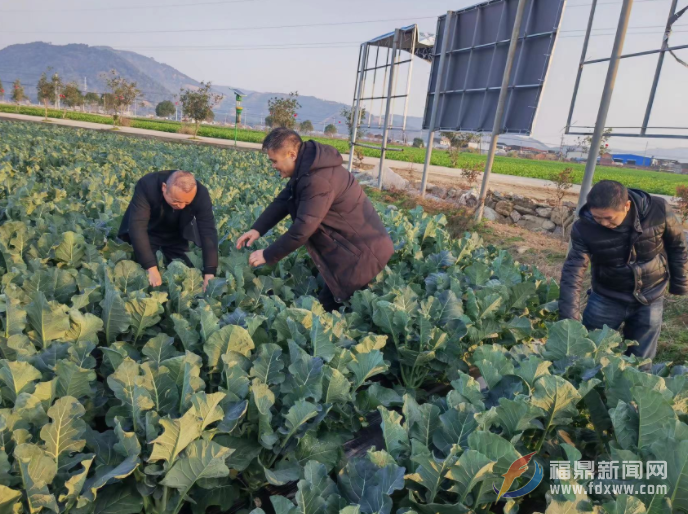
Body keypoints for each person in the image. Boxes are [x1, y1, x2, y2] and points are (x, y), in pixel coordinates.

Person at [236, 128, 394, 312]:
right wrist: (258, 229)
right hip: (350, 250)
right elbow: (284, 199)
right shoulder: (307, 169)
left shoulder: (318, 180)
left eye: (274, 161)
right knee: (331, 308)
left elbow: (302, 229)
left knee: (339, 312)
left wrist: (267, 254)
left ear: (292, 154)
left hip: (361, 255)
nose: (273, 166)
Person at [559, 180, 687, 359]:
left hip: (650, 296)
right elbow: (573, 271)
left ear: (626, 206)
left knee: (640, 362)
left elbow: (677, 245)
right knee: (585, 355)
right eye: (597, 217)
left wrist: (679, 282)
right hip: (606, 296)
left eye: (608, 218)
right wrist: (568, 318)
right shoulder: (584, 228)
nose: (603, 223)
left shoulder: (657, 209)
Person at [118, 170, 219, 291]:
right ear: (164, 187)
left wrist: (210, 272)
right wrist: (150, 266)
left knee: (184, 272)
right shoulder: (147, 185)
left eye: (187, 202)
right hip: (148, 231)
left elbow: (208, 230)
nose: (181, 206)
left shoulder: (201, 193)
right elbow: (138, 226)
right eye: (176, 201)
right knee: (142, 275)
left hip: (177, 234)